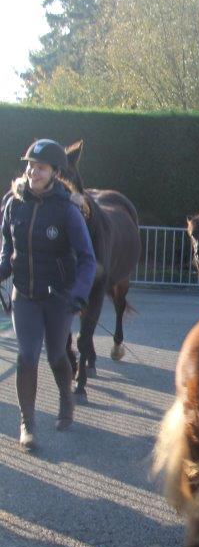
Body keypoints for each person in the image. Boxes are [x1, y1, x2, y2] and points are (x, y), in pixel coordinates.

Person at [0, 139, 97, 451]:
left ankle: (66, 400)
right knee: (27, 356)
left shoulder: (67, 209)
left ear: (55, 172)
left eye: (40, 167)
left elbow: (87, 259)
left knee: (57, 355)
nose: (32, 171)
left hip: (59, 298)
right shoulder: (13, 203)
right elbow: (7, 253)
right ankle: (27, 423)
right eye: (30, 165)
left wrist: (79, 294)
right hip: (24, 295)